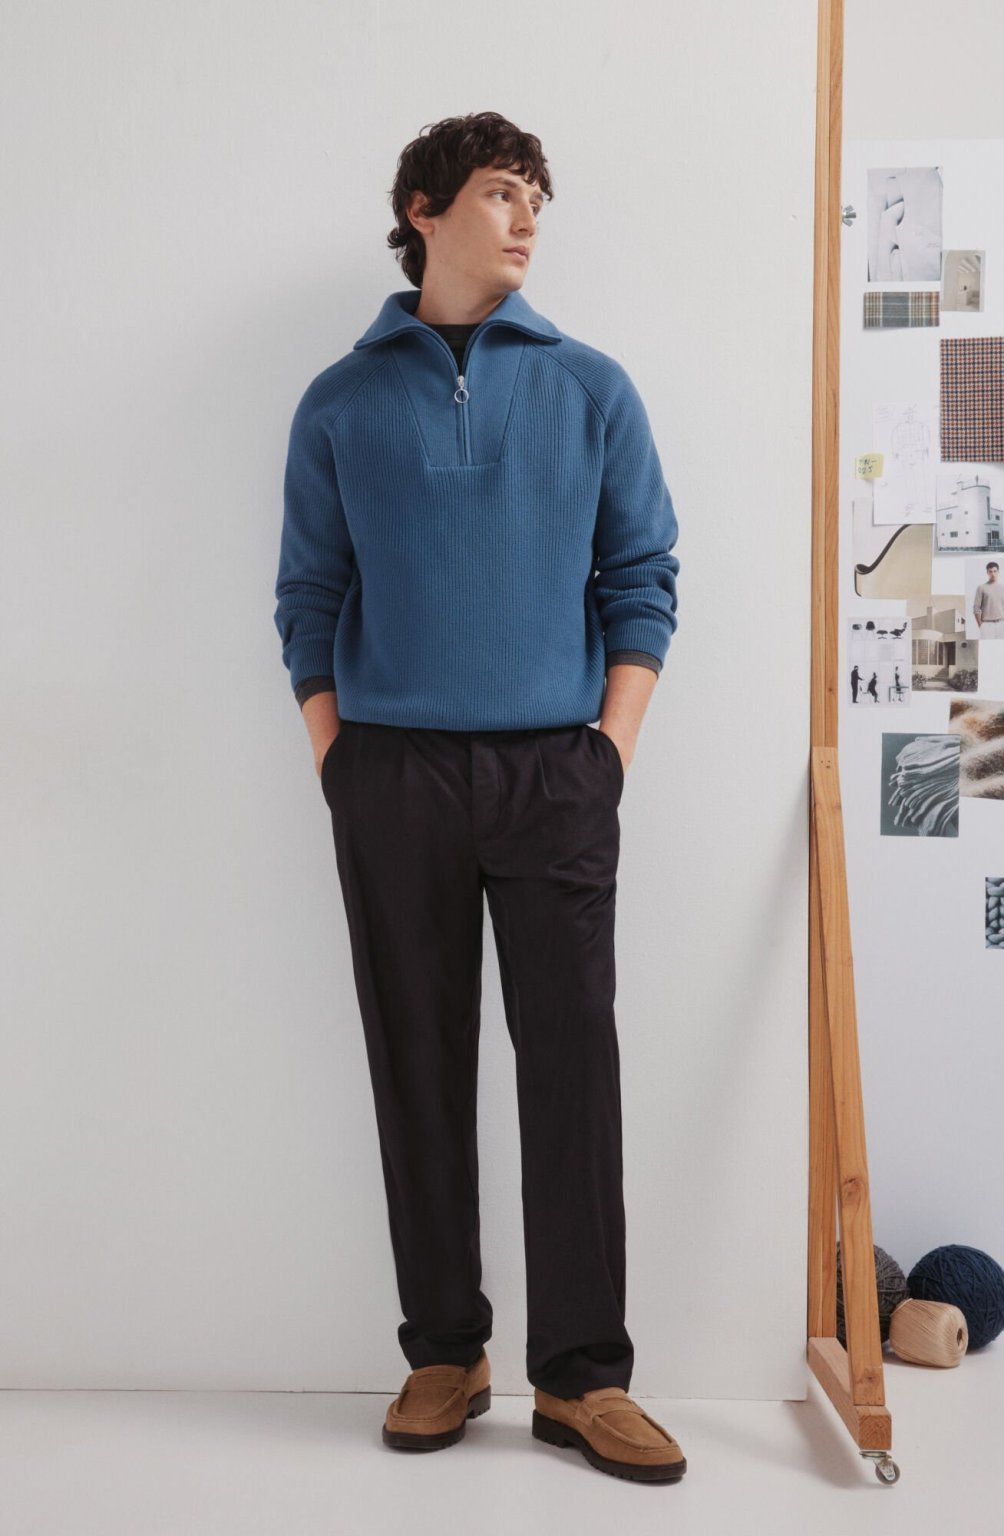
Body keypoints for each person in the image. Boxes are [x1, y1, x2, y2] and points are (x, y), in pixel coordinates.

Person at [273, 111, 684, 1483]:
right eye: (502, 194)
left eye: (535, 203)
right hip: (391, 774)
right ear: (424, 208)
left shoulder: (591, 388)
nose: (524, 221)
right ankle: (444, 1351)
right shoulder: (340, 402)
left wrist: (607, 751)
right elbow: (308, 594)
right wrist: (339, 757)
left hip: (555, 771)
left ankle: (583, 1377)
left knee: (574, 1067)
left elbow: (643, 577)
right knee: (416, 1059)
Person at [973, 560, 1004, 637]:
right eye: (990, 571)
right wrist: (981, 625)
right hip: (987, 624)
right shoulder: (981, 588)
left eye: (995, 571)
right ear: (987, 573)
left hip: (1002, 623)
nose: (993, 574)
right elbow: (976, 608)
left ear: (998, 572)